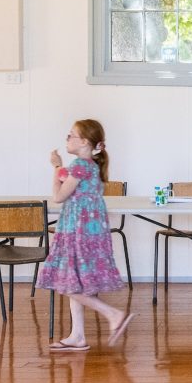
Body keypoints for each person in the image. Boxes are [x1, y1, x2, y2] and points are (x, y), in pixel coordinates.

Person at [37, 119, 134, 351]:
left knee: (67, 284)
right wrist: (60, 168)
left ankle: (113, 314)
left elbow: (59, 196)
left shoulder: (80, 165)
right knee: (74, 280)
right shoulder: (88, 165)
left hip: (77, 232)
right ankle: (77, 335)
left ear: (84, 142)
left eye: (70, 135)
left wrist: (54, 167)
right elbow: (67, 181)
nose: (67, 139)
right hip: (87, 231)